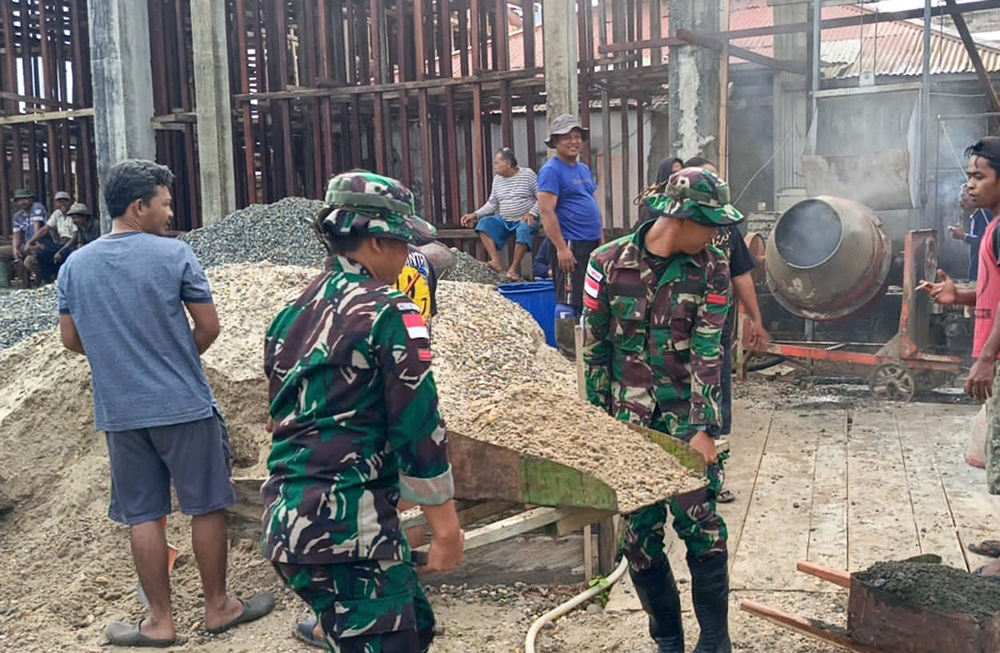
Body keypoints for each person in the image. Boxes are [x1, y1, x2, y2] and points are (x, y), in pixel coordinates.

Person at [58, 159, 274, 646]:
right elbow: (210, 327)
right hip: (183, 406)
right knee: (206, 507)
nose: (170, 213)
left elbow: (70, 339)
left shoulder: (75, 265)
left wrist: (120, 358)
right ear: (139, 206)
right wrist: (173, 356)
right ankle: (218, 607)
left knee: (143, 514)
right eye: (166, 202)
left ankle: (160, 622)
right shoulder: (174, 255)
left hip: (121, 412)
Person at [263, 171, 464, 652]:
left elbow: (279, 418)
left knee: (415, 624)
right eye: (402, 244)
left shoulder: (292, 312)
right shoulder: (392, 311)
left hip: (289, 521)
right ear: (374, 242)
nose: (407, 258)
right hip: (347, 528)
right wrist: (445, 528)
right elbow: (418, 426)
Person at [583, 167, 741, 653]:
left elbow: (709, 350)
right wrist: (594, 426)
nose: (716, 234)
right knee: (639, 537)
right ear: (679, 216)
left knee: (701, 524)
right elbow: (596, 348)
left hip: (684, 420)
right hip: (627, 422)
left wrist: (703, 428)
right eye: (710, 224)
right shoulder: (605, 263)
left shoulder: (713, 265)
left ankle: (715, 640)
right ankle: (667, 639)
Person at [920, 136, 1000, 579]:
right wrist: (960, 296)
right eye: (968, 175)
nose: (969, 185)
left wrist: (987, 357)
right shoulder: (993, 226)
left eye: (979, 176)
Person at [684, 157, 770, 504]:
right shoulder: (670, 226)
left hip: (715, 333)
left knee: (715, 403)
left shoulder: (728, 226)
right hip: (673, 336)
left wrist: (755, 319)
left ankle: (713, 481)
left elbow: (741, 275)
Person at [538, 114, 603, 315]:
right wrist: (561, 248)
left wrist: (601, 238)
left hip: (590, 242)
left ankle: (584, 343)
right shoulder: (551, 170)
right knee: (569, 299)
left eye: (577, 136)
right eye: (567, 137)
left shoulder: (583, 168)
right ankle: (567, 346)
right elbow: (546, 211)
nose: (574, 141)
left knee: (590, 296)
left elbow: (591, 202)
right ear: (556, 141)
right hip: (570, 243)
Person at [460, 148, 540, 281]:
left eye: (497, 163)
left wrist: (532, 213)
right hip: (504, 220)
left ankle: (513, 268)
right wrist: (475, 215)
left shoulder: (528, 174)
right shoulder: (497, 179)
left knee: (524, 229)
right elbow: (492, 204)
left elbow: (542, 197)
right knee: (484, 224)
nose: (495, 166)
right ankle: (495, 261)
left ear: (508, 164)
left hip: (524, 219)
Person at [0, 188, 47, 283]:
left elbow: (36, 227)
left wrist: (34, 242)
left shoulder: (37, 207)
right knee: (2, 252)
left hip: (41, 244)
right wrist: (15, 248)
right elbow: (16, 234)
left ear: (31, 199)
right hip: (26, 245)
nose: (22, 202)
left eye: (25, 199)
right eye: (19, 200)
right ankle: (3, 281)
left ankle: (44, 279)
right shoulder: (17, 216)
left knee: (29, 261)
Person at [950, 184, 993, 281]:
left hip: (984, 274)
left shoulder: (984, 214)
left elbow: (984, 241)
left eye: (962, 196)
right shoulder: (977, 216)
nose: (960, 200)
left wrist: (963, 236)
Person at [48, 203, 101, 268]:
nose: (74, 221)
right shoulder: (80, 227)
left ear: (84, 217)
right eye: (72, 218)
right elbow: (80, 242)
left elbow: (98, 245)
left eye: (76, 218)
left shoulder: (96, 225)